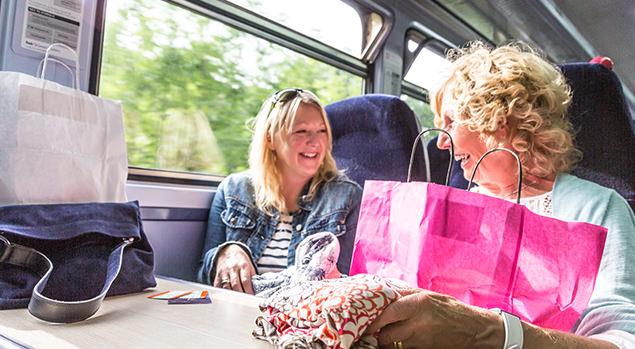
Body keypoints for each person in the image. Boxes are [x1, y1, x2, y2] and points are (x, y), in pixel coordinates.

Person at [366, 41, 635, 348]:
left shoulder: (595, 208)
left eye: (450, 123)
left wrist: (495, 332)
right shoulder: (450, 210)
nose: (441, 142)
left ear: (498, 122)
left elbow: (622, 342)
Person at [197, 88, 362, 294]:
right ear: (270, 138)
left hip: (309, 321)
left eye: (322, 131)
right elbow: (203, 274)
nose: (316, 141)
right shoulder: (233, 190)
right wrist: (225, 253)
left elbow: (345, 284)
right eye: (301, 131)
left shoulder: (346, 197)